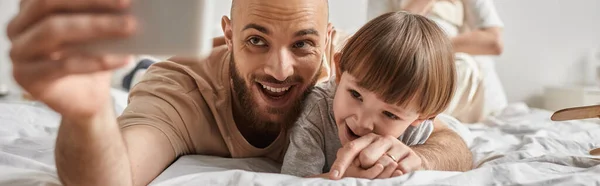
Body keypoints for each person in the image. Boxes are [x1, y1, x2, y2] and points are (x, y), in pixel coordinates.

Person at [6, 0, 472, 185]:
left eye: (303, 44)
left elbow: (444, 135)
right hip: (172, 71)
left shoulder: (354, 73)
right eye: (256, 40)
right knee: (139, 74)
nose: (280, 68)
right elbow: (112, 177)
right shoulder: (180, 92)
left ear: (331, 46)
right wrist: (86, 112)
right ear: (228, 35)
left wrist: (422, 159)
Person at [281, 11, 464, 178]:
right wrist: (340, 178)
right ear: (339, 70)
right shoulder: (316, 110)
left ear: (421, 117)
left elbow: (457, 154)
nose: (363, 122)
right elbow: (295, 180)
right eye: (356, 94)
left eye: (390, 114)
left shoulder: (415, 129)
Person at [368, 0, 507, 123]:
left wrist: (431, 48)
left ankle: (411, 123)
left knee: (462, 66)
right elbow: (382, 38)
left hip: (464, 80)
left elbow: (494, 42)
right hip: (411, 71)